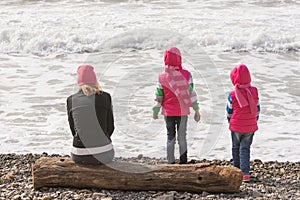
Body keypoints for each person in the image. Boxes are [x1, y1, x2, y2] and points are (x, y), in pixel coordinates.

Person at [152, 47, 201, 164]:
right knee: (182, 137)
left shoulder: (162, 77)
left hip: (168, 112)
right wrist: (196, 110)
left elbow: (159, 97)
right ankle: (183, 161)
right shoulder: (187, 75)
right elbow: (191, 94)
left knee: (170, 137)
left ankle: (170, 161)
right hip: (182, 112)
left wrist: (155, 111)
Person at [67, 65, 115, 165]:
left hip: (80, 154)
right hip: (104, 153)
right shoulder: (106, 97)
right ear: (94, 80)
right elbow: (110, 127)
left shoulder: (71, 100)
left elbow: (73, 130)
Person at [226, 64, 260, 182]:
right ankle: (245, 173)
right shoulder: (254, 91)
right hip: (250, 126)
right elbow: (257, 109)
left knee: (236, 147)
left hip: (236, 126)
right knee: (245, 149)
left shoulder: (232, 94)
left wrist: (230, 122)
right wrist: (254, 121)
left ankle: (236, 171)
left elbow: (229, 111)